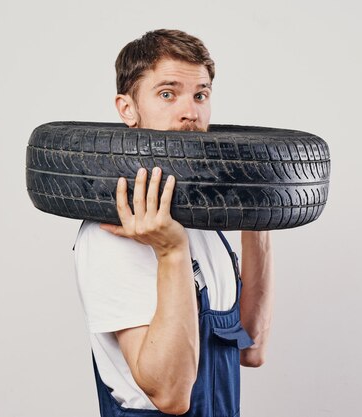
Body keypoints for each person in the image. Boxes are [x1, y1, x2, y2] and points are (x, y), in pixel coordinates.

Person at [74, 29, 274, 416]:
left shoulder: (202, 218)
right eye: (168, 94)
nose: (191, 111)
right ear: (127, 108)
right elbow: (169, 395)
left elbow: (250, 349)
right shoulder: (114, 233)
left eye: (200, 94)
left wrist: (259, 219)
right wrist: (170, 252)